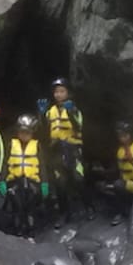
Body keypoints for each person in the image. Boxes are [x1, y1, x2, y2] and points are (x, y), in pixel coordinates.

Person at [40, 78, 86, 218]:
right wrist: (42, 114)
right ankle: (64, 212)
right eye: (56, 92)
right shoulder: (51, 112)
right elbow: (44, 131)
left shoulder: (75, 109)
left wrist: (71, 113)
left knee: (78, 178)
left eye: (62, 91)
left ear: (68, 93)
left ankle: (87, 206)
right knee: (60, 182)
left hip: (73, 149)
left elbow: (78, 126)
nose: (58, 95)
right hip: (57, 151)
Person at [3, 114, 44, 236]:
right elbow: (5, 164)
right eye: (22, 132)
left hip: (32, 181)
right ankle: (18, 227)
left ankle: (30, 228)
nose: (24, 135)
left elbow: (42, 165)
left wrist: (45, 183)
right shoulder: (12, 144)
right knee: (17, 205)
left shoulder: (37, 146)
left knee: (30, 206)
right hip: (15, 180)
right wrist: (2, 180)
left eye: (27, 132)